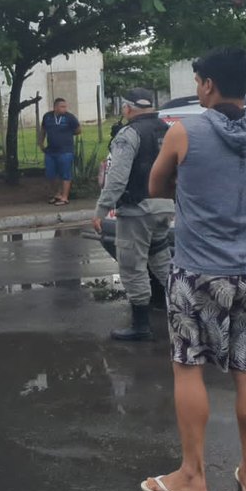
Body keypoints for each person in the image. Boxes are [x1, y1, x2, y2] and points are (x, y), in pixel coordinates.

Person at [143, 48, 246, 491]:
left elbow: (155, 185)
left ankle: (192, 475)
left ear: (207, 84)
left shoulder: (185, 132)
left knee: (188, 369)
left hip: (198, 271)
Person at [92, 88, 173, 342]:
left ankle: (140, 326)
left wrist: (101, 210)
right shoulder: (167, 129)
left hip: (137, 211)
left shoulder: (129, 134)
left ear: (127, 108)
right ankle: (189, 314)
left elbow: (116, 179)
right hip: (163, 207)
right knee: (161, 261)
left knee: (132, 266)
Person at [39, 98, 81, 206]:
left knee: (65, 174)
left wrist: (66, 135)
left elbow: (78, 130)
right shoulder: (47, 117)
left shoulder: (69, 117)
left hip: (65, 150)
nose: (64, 109)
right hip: (51, 151)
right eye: (62, 107)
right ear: (55, 107)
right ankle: (57, 194)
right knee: (51, 174)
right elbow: (43, 130)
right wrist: (41, 143)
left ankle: (65, 197)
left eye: (65, 106)